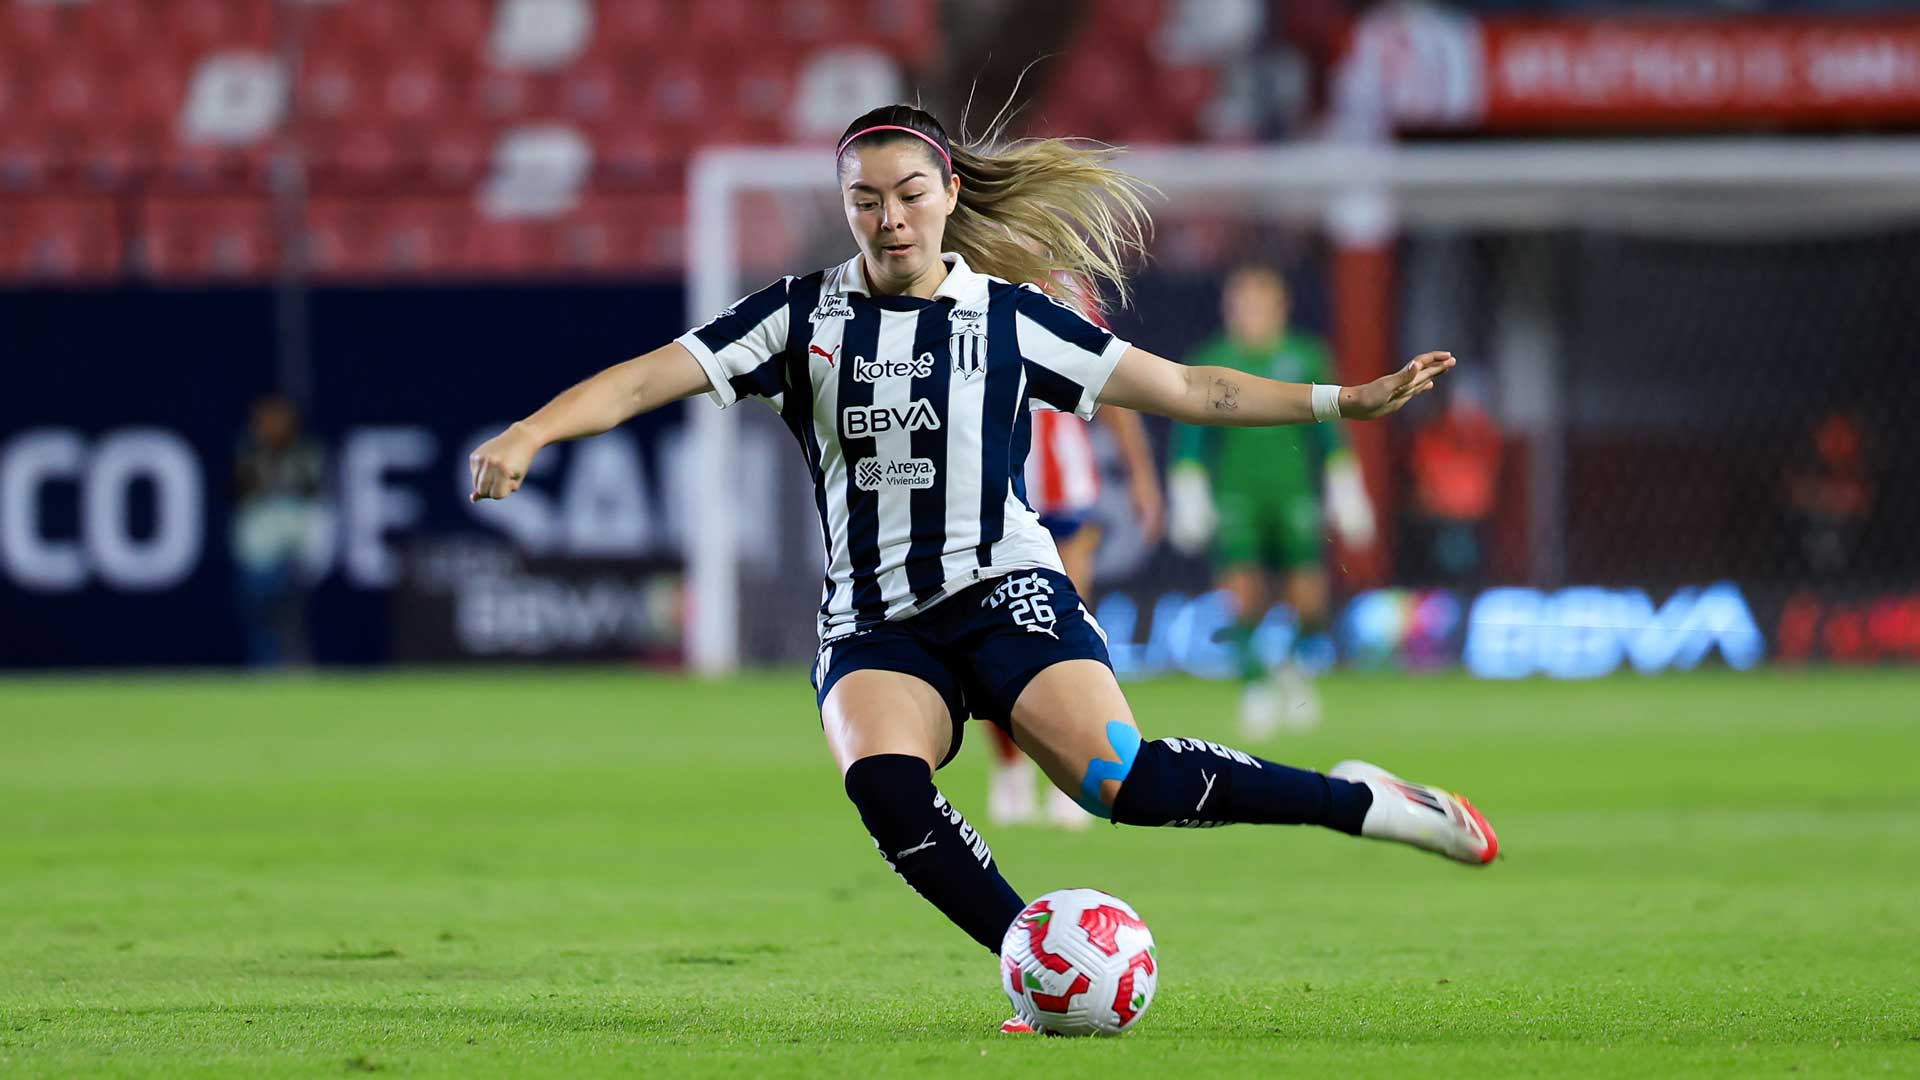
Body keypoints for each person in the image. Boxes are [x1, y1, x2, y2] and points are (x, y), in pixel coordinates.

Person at [469, 105, 1494, 1034]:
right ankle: (1031, 958)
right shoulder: (798, 320)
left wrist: (1342, 404)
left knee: (1122, 783)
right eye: (864, 201)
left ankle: (1359, 800)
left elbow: (1188, 388)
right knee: (881, 782)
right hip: (876, 624)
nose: (890, 218)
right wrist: (532, 431)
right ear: (846, 210)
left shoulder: (1010, 318)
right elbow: (651, 376)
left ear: (952, 195)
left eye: (911, 195)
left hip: (1006, 594)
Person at [1166, 267, 1375, 736]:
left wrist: (1347, 488)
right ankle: (1255, 687)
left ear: (1280, 308)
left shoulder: (1306, 357)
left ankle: (1292, 665)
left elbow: (1332, 430)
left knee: (1310, 601)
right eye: (1240, 305)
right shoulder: (1214, 360)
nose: (1248, 314)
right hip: (1238, 495)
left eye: (1258, 304)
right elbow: (1190, 437)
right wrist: (1188, 489)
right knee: (1242, 596)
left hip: (1294, 495)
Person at [987, 332, 1163, 831]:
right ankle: (1010, 766)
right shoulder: (964, 278)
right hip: (994, 477)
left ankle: (1074, 772)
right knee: (995, 629)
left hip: (1064, 481)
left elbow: (1111, 385)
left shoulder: (1071, 294)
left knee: (1062, 631)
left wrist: (1141, 474)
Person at [232, 394, 326, 667]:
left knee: (291, 619)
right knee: (258, 619)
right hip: (256, 556)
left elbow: (313, 505)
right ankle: (264, 666)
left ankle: (293, 663)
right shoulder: (250, 456)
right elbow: (245, 504)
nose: (268, 427)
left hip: (290, 555)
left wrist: (312, 547)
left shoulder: (305, 456)